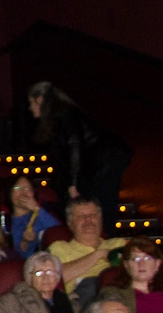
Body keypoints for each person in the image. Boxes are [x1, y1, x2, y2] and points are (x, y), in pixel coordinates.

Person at [26, 81, 131, 222]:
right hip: (104, 161)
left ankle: (104, 235)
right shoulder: (65, 113)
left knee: (103, 204)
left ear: (40, 100)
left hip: (104, 161)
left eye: (31, 102)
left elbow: (73, 147)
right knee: (102, 203)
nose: (30, 107)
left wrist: (73, 183)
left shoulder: (63, 115)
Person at [48, 199, 123, 307]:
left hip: (120, 296)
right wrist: (98, 255)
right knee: (92, 284)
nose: (88, 220)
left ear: (100, 219)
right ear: (70, 224)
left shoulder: (118, 244)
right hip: (83, 302)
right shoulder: (58, 248)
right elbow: (52, 279)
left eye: (93, 215)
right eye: (81, 217)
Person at [5, 175, 62, 259]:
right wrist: (25, 242)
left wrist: (37, 209)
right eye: (17, 188)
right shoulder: (6, 222)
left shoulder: (43, 214)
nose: (23, 193)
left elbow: (60, 233)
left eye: (28, 189)